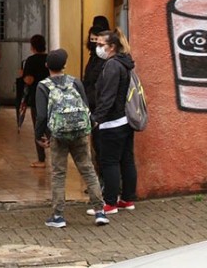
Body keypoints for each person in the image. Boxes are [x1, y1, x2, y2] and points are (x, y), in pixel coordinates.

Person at [35, 49, 109, 228]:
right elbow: (85, 106)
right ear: (64, 65)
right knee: (88, 170)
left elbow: (42, 116)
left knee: (59, 174)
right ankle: (99, 211)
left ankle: (58, 216)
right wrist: (90, 125)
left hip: (58, 135)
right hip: (80, 133)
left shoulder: (43, 86)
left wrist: (40, 135)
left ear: (47, 66)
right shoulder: (75, 82)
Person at [92, 28, 138, 214]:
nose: (98, 48)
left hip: (112, 122)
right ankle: (127, 199)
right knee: (126, 159)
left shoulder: (112, 66)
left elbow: (108, 97)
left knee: (109, 161)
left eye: (101, 45)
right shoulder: (124, 63)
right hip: (125, 120)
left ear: (112, 47)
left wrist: (96, 118)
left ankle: (110, 203)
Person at [82, 25, 107, 182]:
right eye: (91, 40)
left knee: (102, 149)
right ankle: (98, 182)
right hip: (92, 109)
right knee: (96, 148)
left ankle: (104, 183)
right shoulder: (93, 58)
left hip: (100, 111)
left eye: (96, 41)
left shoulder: (107, 63)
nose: (93, 44)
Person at [22, 34, 49, 167]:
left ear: (32, 47)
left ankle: (41, 159)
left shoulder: (31, 60)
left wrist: (23, 76)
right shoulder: (49, 59)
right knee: (51, 127)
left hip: (36, 98)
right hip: (51, 98)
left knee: (38, 128)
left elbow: (29, 80)